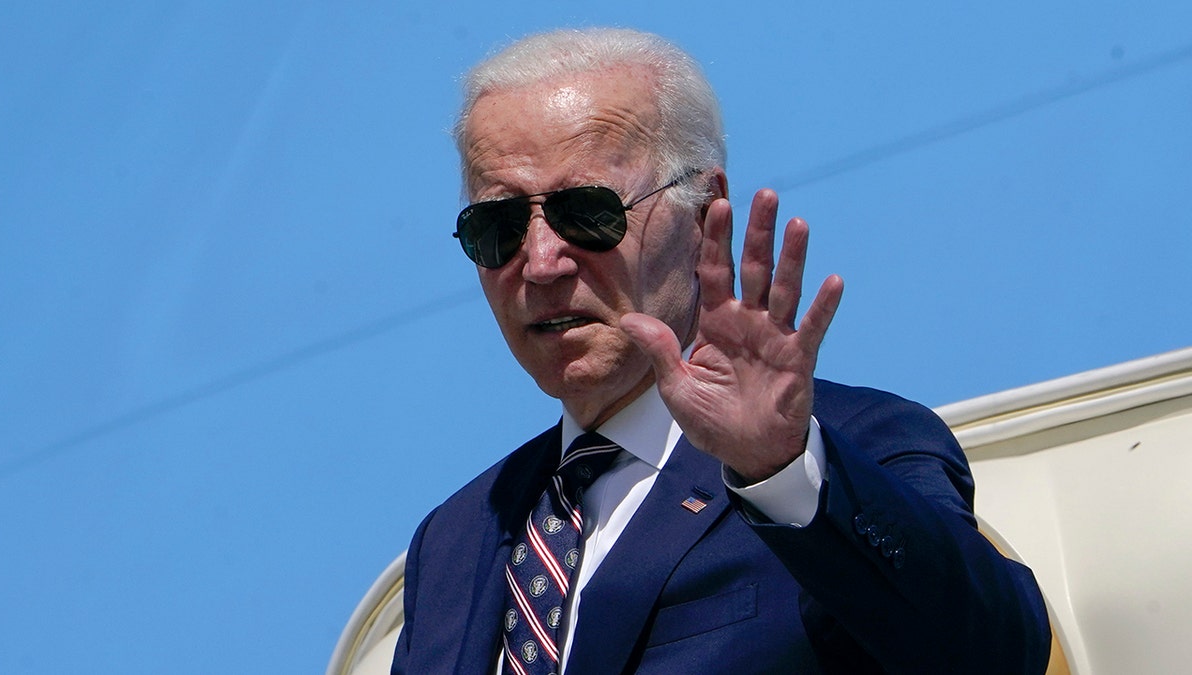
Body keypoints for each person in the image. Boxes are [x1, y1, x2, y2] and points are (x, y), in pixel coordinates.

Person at [392, 27, 1050, 674]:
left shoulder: (848, 450)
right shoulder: (456, 537)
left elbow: (996, 653)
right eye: (498, 226)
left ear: (704, 212)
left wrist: (780, 469)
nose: (539, 263)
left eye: (586, 213)